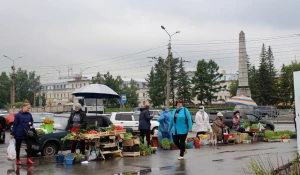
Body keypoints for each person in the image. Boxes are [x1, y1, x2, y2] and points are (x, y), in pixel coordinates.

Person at [10, 100, 34, 165]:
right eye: (28, 108)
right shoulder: (18, 115)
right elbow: (15, 125)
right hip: (19, 133)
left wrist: (30, 123)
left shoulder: (29, 114)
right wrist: (12, 133)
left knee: (29, 145)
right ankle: (18, 159)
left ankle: (29, 158)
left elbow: (32, 122)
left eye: (29, 108)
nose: (29, 109)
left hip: (27, 133)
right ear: (24, 107)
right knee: (18, 146)